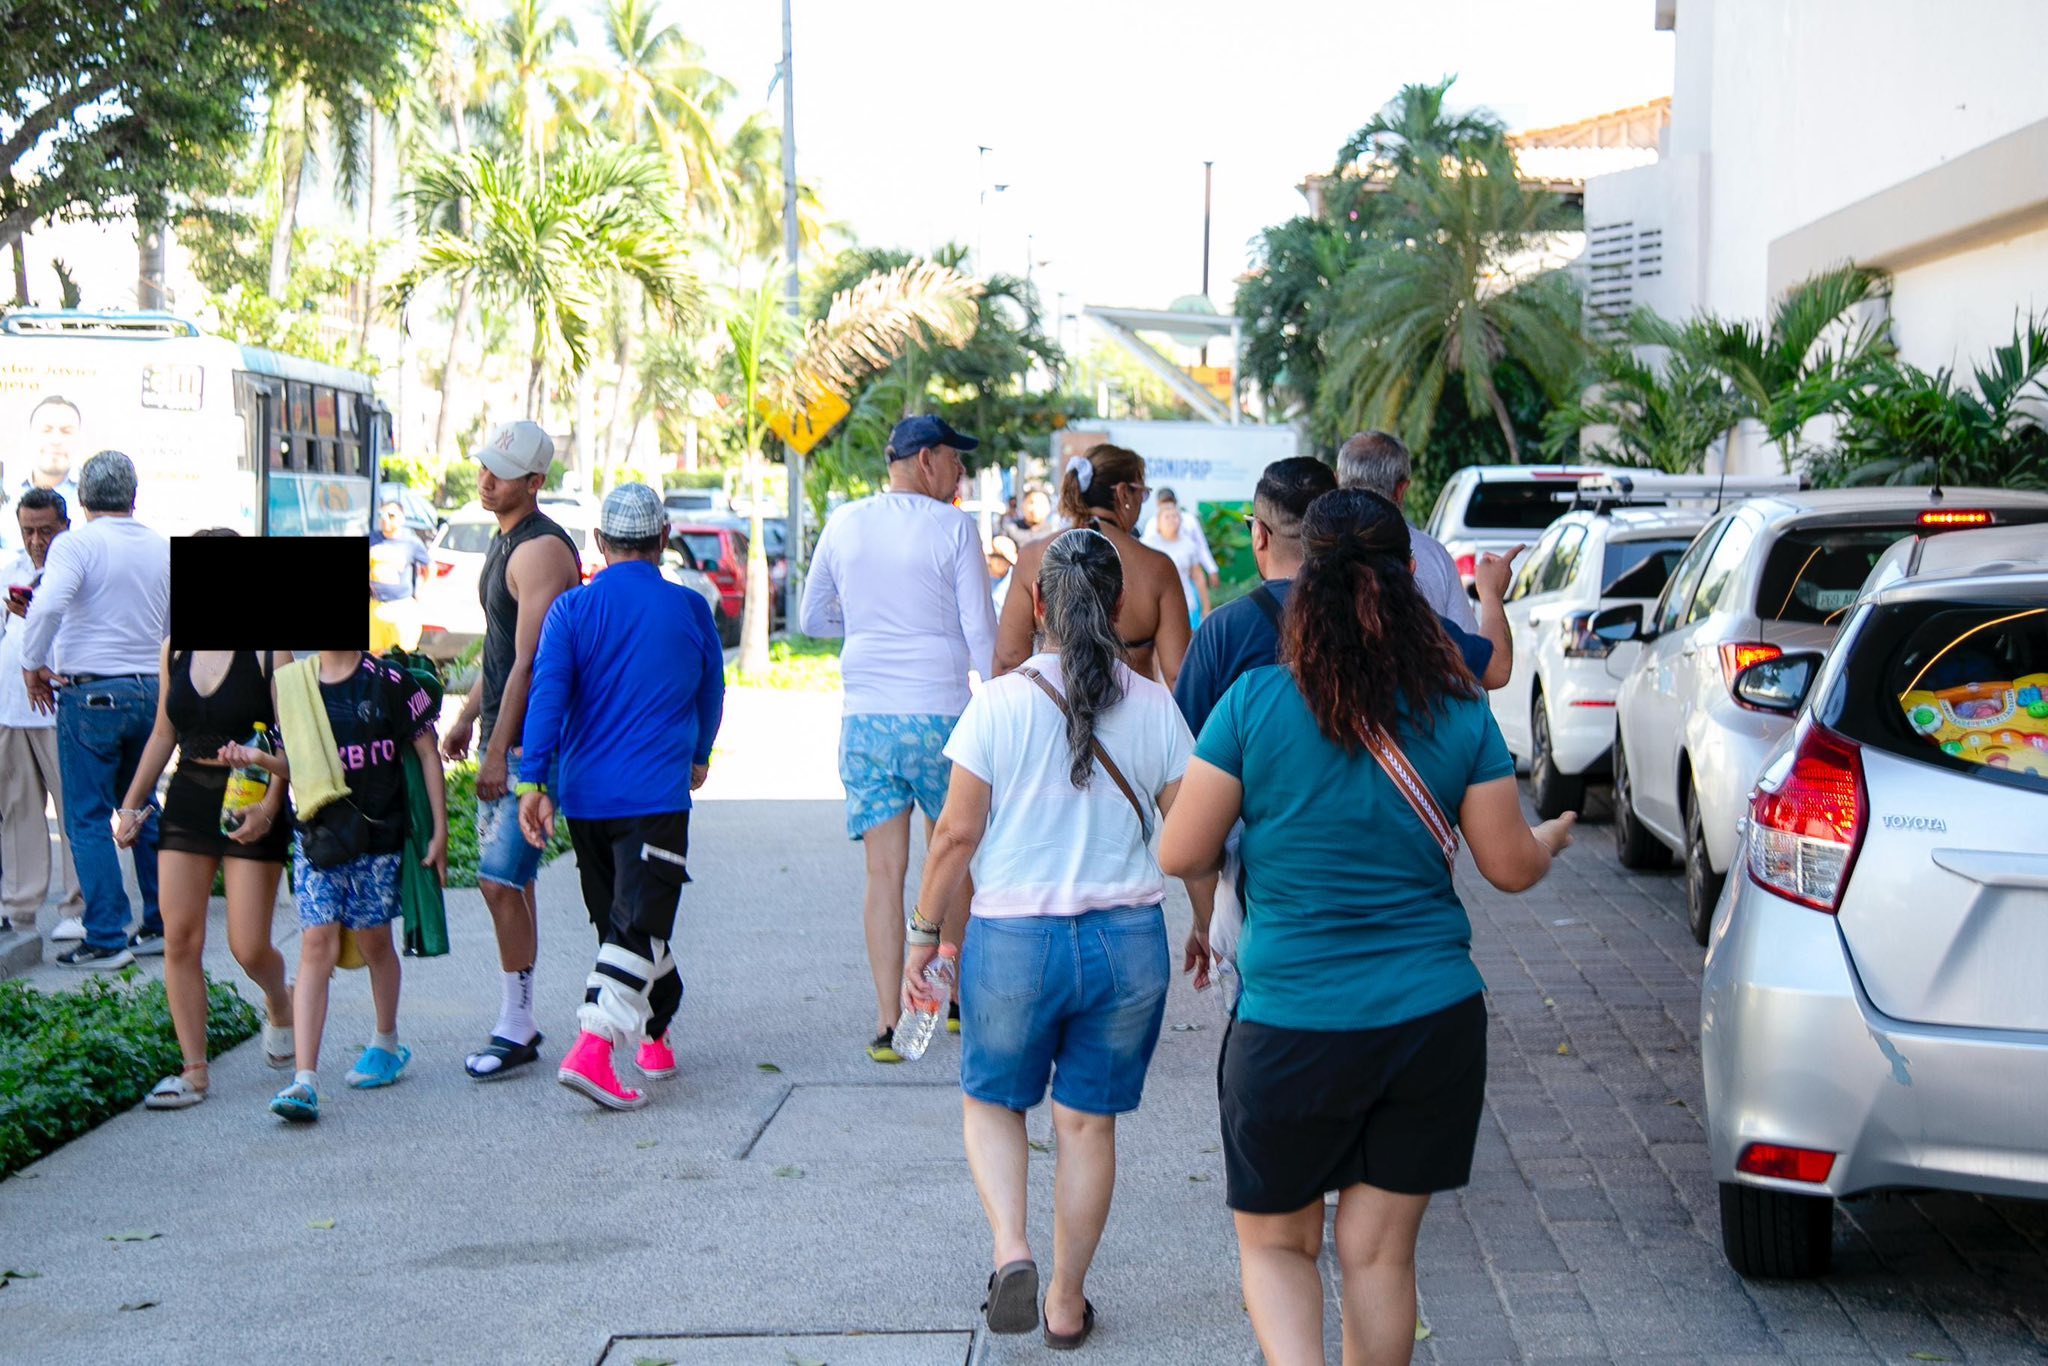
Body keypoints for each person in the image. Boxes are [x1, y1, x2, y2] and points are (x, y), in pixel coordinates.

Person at [1158, 489, 1576, 1366]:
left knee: (1277, 1245)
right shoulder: (1459, 711)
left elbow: (1179, 852)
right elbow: (1507, 866)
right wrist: (1546, 841)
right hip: (1430, 1025)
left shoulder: (1252, 704)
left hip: (1291, 1026)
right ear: (1411, 584)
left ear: (1306, 578)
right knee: (1381, 1253)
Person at [906, 528, 1191, 1348]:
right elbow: (1192, 833)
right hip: (1129, 944)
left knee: (994, 1101)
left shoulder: (995, 705)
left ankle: (1011, 1249)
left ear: (1037, 606)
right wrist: (1207, 920)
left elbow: (955, 838)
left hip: (1015, 946)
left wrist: (925, 938)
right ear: (1117, 606)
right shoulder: (1156, 707)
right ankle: (1066, 1303)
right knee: (1087, 1125)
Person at [514, 483, 726, 1110]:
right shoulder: (690, 610)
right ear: (663, 541)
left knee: (625, 926)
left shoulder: (572, 611)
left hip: (585, 802)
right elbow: (710, 693)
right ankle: (594, 1047)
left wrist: (534, 781)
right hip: (656, 798)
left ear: (599, 545)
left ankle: (656, 1029)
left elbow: (547, 695)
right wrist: (699, 754)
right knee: (636, 927)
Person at [799, 414, 997, 1062]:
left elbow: (811, 616)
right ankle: (957, 996)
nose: (962, 472)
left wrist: (865, 624)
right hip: (941, 717)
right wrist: (995, 702)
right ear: (927, 459)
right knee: (954, 854)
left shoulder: (845, 522)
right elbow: (982, 632)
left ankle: (889, 1024)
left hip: (866, 721)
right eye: (957, 459)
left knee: (883, 873)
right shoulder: (954, 528)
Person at [115, 556, 296, 1109]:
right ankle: (194, 1072)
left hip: (250, 797)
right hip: (189, 798)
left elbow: (294, 742)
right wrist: (131, 803)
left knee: (247, 945)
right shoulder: (176, 647)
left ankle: (280, 1000)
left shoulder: (270, 651)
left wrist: (270, 805)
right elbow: (164, 732)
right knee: (181, 937)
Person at [1176, 461, 1517, 739]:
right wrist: (1490, 596)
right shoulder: (1408, 622)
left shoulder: (1228, 646)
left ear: (1261, 535)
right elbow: (1496, 670)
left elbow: (1184, 749)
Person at [441, 420, 581, 1081]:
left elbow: (531, 660)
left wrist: (500, 753)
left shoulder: (542, 551)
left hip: (533, 744)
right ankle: (518, 1020)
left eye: (502, 471)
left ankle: (517, 1024)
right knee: (509, 883)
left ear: (535, 483)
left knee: (498, 881)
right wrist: (467, 716)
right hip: (505, 731)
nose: (487, 478)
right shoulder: (502, 543)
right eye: (485, 465)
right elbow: (497, 656)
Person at [259, 648, 447, 1122]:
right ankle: (305, 1080)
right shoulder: (294, 684)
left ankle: (386, 1042)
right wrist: (256, 759)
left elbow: (427, 753)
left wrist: (439, 830)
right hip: (318, 839)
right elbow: (292, 763)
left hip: (378, 840)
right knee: (316, 945)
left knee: (374, 944)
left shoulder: (388, 681)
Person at [16, 451, 169, 969]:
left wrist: (32, 661)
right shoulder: (161, 545)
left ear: (81, 501)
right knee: (141, 806)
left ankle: (105, 935)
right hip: (152, 691)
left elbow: (51, 604)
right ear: (134, 495)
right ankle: (160, 923)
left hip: (92, 695)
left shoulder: (75, 545)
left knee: (85, 815)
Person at [999, 444, 1191, 691]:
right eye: (1142, 494)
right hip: (1132, 723)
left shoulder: (1031, 556)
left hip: (1052, 718)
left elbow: (1008, 659)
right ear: (1123, 493)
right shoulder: (1157, 568)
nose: (1142, 503)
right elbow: (1179, 677)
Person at [0, 489, 84, 935]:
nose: (36, 540)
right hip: (11, 708)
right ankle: (19, 906)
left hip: (58, 708)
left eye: (45, 530)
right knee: (18, 811)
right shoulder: (10, 570)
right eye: (28, 530)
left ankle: (78, 907)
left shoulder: (74, 566)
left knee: (74, 812)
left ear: (65, 527)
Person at [1338, 431, 1479, 632]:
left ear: (1338, 481)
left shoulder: (1316, 549)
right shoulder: (1434, 556)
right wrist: (1491, 595)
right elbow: (1469, 650)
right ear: (1401, 489)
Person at [1139, 490, 1216, 627]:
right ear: (1158, 522)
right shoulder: (1148, 544)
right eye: (1167, 517)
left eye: (1175, 516)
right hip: (1158, 607)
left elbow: (1198, 576)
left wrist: (1206, 607)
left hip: (1187, 604)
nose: (1171, 520)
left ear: (1180, 520)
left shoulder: (1189, 545)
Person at [369, 500, 431, 603]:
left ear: (401, 519)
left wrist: (421, 591)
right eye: (382, 515)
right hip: (374, 602)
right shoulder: (372, 538)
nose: (385, 519)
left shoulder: (411, 542)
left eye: (391, 516)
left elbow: (430, 567)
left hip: (399, 603)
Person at [987, 534, 1019, 615]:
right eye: (999, 558)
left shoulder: (1015, 579)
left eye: (1007, 561)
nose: (1004, 563)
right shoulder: (982, 578)